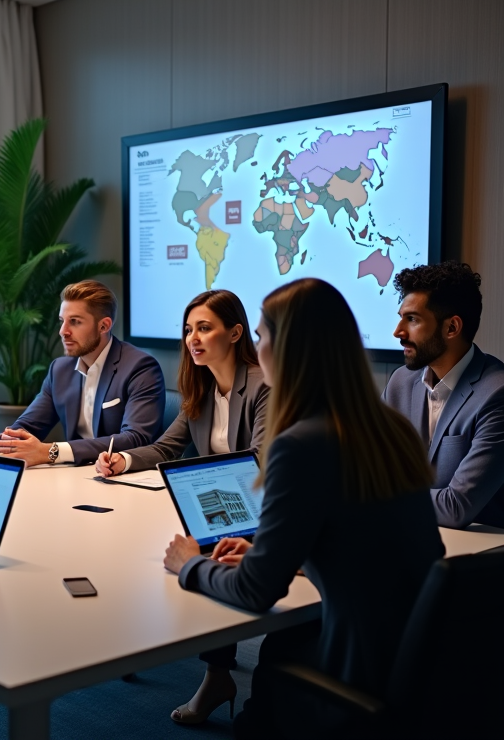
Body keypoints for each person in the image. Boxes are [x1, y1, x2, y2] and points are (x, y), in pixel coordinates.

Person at [163, 278, 443, 739]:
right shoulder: (389, 427)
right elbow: (359, 541)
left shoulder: (301, 443)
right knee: (286, 642)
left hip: (359, 666)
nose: (258, 347)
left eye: (262, 335)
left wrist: (189, 564)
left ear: (290, 348)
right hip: (417, 654)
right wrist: (269, 553)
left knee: (278, 654)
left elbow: (256, 594)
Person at [95, 289, 268, 725]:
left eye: (205, 328)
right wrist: (123, 460)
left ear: (235, 332)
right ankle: (166, 647)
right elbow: (169, 447)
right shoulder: (201, 386)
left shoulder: (264, 383)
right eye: (189, 330)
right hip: (220, 505)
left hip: (262, 507)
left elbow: (264, 459)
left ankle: (216, 673)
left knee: (205, 548)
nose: (193, 338)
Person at [383, 260, 504, 528]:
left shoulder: (497, 394)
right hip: (409, 537)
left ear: (452, 328)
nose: (398, 332)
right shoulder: (400, 383)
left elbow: (457, 507)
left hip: (479, 558)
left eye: (412, 319)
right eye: (401, 317)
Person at [0, 280, 166, 466]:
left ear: (104, 326)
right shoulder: (59, 370)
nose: (63, 331)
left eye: (74, 322)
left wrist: (52, 451)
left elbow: (135, 438)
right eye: (62, 321)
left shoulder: (140, 368)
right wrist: (6, 442)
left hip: (123, 479)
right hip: (74, 476)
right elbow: (28, 427)